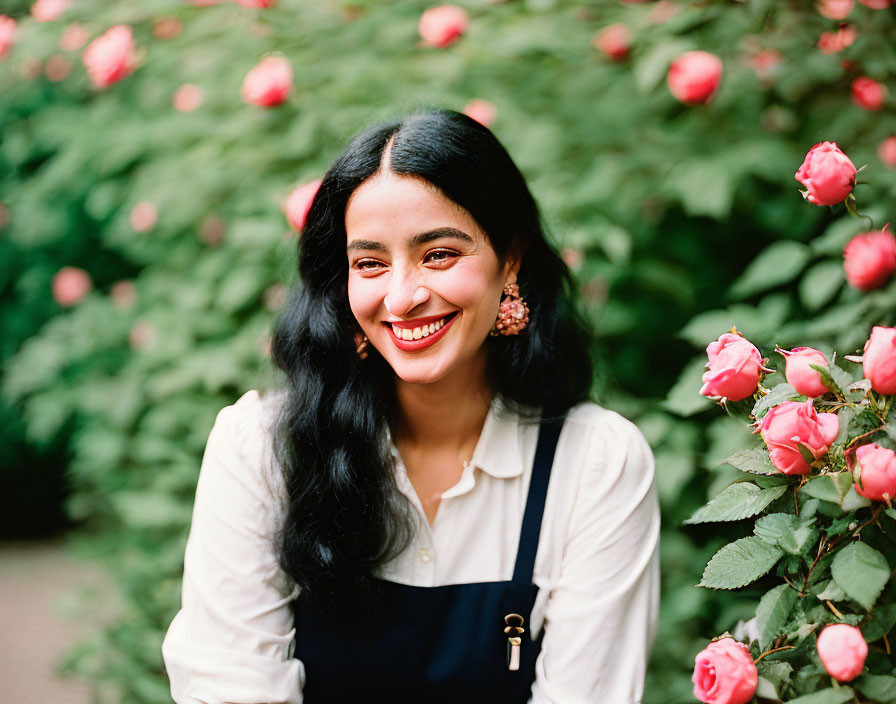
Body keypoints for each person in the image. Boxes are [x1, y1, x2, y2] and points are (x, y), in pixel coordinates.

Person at [162, 108, 660, 703]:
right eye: (369, 263)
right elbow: (230, 685)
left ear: (512, 259)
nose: (402, 296)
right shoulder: (263, 447)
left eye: (439, 254)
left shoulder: (594, 463)